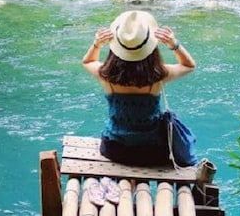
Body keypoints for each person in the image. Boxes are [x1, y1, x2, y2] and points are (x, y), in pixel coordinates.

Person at [81, 10, 197, 167]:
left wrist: (97, 44)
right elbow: (189, 65)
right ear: (150, 47)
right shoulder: (159, 75)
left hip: (114, 149)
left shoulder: (105, 75)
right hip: (151, 151)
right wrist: (174, 44)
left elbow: (87, 62)